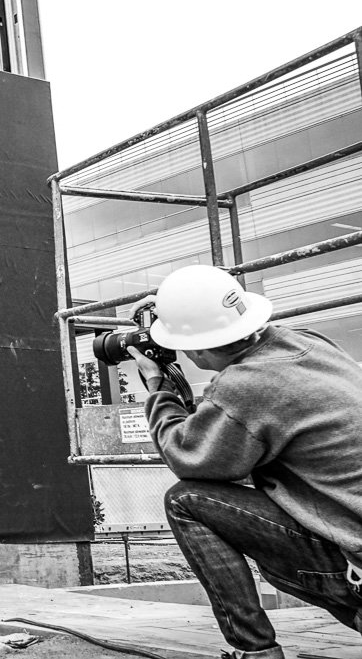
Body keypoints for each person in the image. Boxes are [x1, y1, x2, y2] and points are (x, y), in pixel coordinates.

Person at [125, 264, 362, 659]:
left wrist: (157, 385)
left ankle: (257, 651)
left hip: (351, 563)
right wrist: (175, 310)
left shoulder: (243, 386)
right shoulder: (310, 344)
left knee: (185, 500)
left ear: (196, 348)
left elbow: (187, 456)